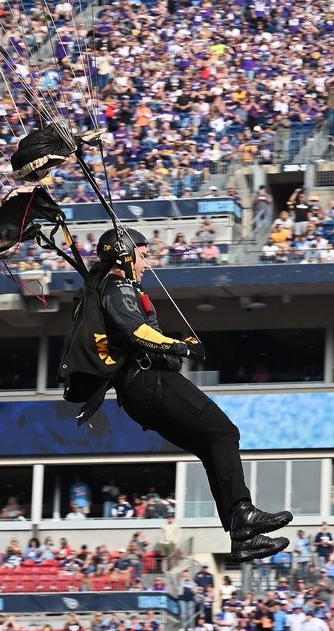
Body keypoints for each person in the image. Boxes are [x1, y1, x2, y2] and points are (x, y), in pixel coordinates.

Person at [66, 228, 291, 564]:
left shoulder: (109, 287)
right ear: (124, 255)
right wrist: (182, 348)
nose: (146, 263)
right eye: (142, 255)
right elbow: (136, 332)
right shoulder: (119, 287)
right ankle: (242, 514)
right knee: (224, 433)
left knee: (209, 446)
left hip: (136, 395)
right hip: (150, 380)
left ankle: (241, 538)